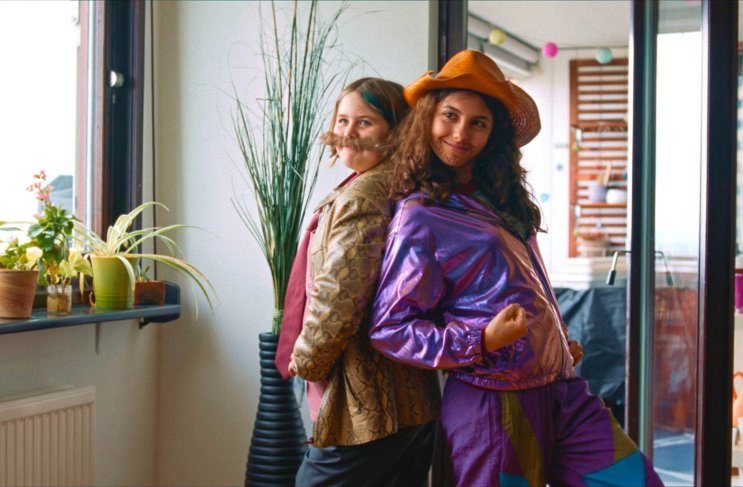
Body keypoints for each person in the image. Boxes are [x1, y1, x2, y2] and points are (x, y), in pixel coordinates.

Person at [369, 50, 663, 487]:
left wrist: (554, 341)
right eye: (450, 115)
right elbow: (390, 328)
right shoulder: (421, 215)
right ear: (428, 118)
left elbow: (518, 283)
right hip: (494, 401)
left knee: (634, 481)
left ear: (493, 135)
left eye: (478, 123)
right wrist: (481, 340)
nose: (461, 133)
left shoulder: (500, 200)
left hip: (561, 389)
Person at [276, 77, 441, 487]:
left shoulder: (364, 196)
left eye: (365, 122)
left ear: (397, 132)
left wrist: (306, 360)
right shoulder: (398, 185)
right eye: (343, 120)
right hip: (410, 400)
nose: (348, 132)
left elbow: (340, 296)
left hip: (366, 404)